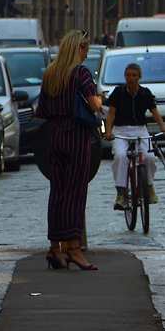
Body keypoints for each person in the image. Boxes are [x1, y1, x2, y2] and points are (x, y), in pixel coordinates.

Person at [34, 29, 102, 271]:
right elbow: (93, 105)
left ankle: (54, 248)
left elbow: (40, 110)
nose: (86, 54)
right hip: (76, 135)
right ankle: (73, 248)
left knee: (57, 192)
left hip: (54, 134)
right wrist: (99, 99)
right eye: (85, 49)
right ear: (78, 49)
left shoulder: (50, 73)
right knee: (75, 192)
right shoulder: (80, 72)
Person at [104, 63, 165, 209]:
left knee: (149, 157)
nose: (130, 78)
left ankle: (149, 187)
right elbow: (110, 115)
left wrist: (164, 128)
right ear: (124, 76)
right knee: (120, 156)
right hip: (120, 130)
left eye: (134, 75)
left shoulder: (145, 93)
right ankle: (120, 194)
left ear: (139, 77)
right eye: (128, 75)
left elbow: (154, 112)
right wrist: (108, 132)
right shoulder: (118, 92)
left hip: (140, 130)